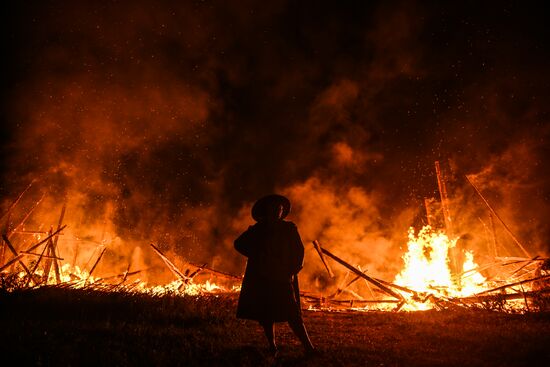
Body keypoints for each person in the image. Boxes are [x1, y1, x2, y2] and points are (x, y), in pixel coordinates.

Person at [234, 194, 315, 357]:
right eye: (275, 208)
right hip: (262, 277)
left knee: (292, 313)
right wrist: (256, 255)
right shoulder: (258, 229)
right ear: (267, 210)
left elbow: (299, 250)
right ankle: (272, 346)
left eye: (280, 208)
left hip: (282, 276)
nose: (278, 210)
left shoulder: (289, 228)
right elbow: (239, 244)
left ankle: (309, 348)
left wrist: (295, 267)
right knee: (266, 313)